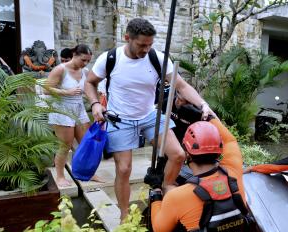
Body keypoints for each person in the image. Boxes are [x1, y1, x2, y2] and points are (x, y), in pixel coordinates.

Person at [85, 18, 213, 220]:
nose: (146, 49)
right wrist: (94, 104)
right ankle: (124, 215)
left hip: (149, 116)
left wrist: (203, 104)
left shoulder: (158, 59)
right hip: (120, 119)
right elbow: (90, 83)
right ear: (127, 38)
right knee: (124, 168)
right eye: (142, 45)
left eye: (150, 44)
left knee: (178, 154)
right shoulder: (109, 58)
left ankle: (165, 188)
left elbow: (182, 87)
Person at [150, 119, 250, 232]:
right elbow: (230, 140)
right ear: (219, 149)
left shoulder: (177, 196)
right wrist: (207, 114)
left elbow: (159, 231)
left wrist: (156, 193)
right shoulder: (234, 170)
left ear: (188, 154)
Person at [45, 44, 102, 187]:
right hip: (62, 109)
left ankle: (88, 173)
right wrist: (66, 92)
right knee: (65, 145)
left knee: (86, 143)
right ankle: (59, 176)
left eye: (88, 61)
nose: (85, 63)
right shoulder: (60, 69)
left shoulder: (85, 71)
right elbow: (46, 89)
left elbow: (90, 87)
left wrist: (96, 102)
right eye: (83, 60)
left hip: (79, 108)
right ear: (74, 55)